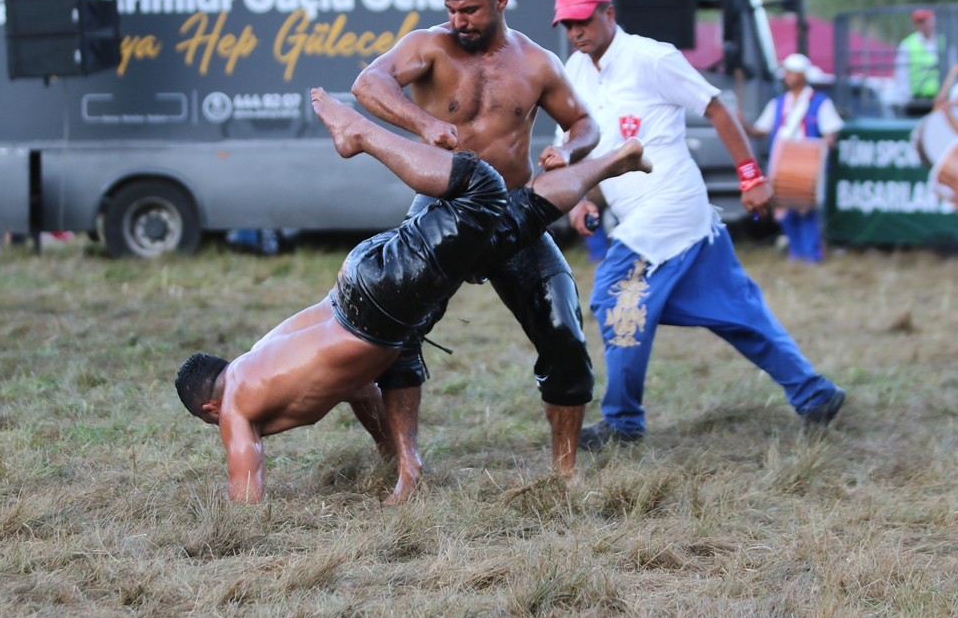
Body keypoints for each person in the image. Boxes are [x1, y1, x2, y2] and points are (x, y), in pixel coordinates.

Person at [175, 87, 650, 503]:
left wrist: (231, 508)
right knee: (503, 228)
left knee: (485, 190)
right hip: (357, 283)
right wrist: (390, 455)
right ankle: (618, 161)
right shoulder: (259, 360)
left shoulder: (235, 407)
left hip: (377, 303)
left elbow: (246, 489)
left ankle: (360, 134)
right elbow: (359, 387)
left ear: (210, 409)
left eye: (213, 424)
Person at [549, 0, 848, 448]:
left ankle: (623, 423)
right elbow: (581, 145)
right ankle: (815, 394)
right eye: (567, 23)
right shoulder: (576, 71)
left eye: (583, 19)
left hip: (671, 206)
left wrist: (751, 177)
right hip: (655, 219)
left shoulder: (652, 58)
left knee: (616, 300)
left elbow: (717, 108)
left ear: (609, 14)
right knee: (736, 310)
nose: (576, 31)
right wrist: (584, 195)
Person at [351, 0, 602, 497]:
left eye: (470, 10)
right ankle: (406, 468)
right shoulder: (428, 46)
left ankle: (564, 474)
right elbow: (368, 84)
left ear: (500, 1)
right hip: (444, 210)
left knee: (564, 331)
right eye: (451, 9)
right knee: (397, 335)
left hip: (513, 214)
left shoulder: (536, 63)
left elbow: (584, 123)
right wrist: (422, 123)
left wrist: (570, 150)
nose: (459, 20)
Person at [743, 52, 844, 263]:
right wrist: (741, 124)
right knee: (784, 208)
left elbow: (831, 131)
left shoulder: (819, 102)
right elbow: (760, 130)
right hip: (782, 165)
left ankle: (811, 254)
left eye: (791, 72)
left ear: (802, 75)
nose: (787, 76)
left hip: (807, 164)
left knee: (807, 209)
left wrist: (827, 142)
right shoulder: (778, 103)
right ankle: (796, 251)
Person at [894, 8, 941, 105]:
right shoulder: (908, 44)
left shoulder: (942, 41)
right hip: (917, 99)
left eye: (926, 21)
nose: (924, 25)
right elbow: (901, 73)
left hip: (939, 98)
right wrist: (905, 97)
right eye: (919, 22)